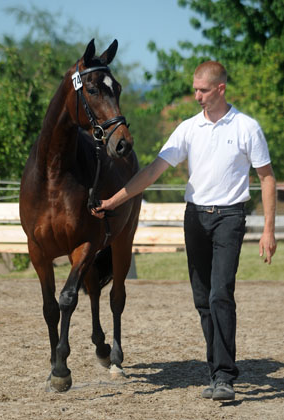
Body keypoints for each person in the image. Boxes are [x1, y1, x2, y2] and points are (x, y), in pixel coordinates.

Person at [91, 61, 277, 401]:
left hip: (229, 218)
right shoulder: (188, 128)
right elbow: (152, 171)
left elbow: (267, 177)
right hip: (195, 218)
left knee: (221, 293)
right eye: (195, 89)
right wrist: (114, 201)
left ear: (220, 89)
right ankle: (217, 369)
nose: (196, 96)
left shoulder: (247, 128)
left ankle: (223, 377)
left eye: (203, 90)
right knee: (203, 299)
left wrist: (268, 230)